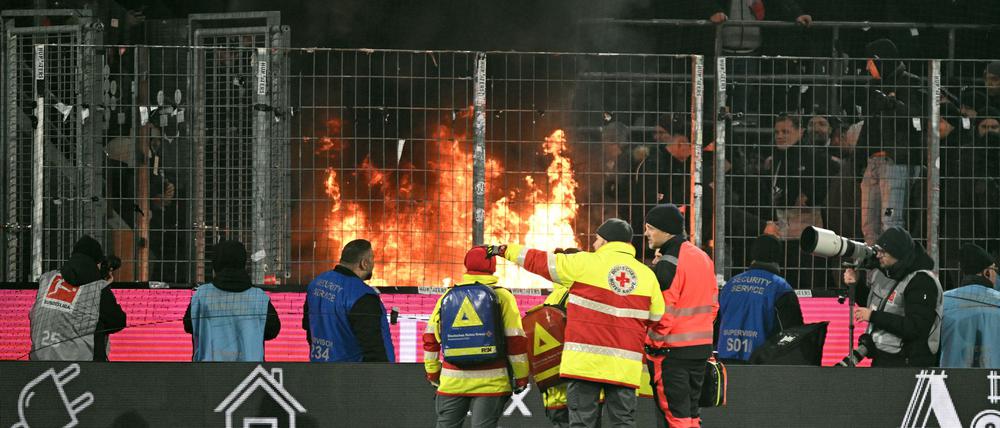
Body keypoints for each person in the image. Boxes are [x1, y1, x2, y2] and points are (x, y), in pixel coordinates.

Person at [489, 218, 665, 428]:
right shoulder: (647, 276)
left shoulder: (584, 263)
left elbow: (539, 260)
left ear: (606, 241)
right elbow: (656, 318)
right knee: (623, 422)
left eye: (597, 240)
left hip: (585, 365)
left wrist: (503, 249)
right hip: (624, 367)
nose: (594, 245)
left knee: (581, 422)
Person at [422, 246, 529, 428]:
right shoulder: (503, 296)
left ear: (466, 266)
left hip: (452, 381)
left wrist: (433, 373)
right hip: (492, 382)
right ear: (493, 267)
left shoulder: (447, 296)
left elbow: (430, 338)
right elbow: (515, 340)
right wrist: (521, 376)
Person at [642, 204, 718, 428]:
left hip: (672, 355)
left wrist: (652, 346)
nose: (646, 233)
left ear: (666, 231)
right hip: (700, 350)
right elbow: (713, 306)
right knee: (692, 415)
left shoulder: (668, 263)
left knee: (676, 417)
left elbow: (662, 312)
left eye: (650, 228)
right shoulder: (702, 257)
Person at [843, 227, 943, 367]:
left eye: (884, 252)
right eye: (878, 251)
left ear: (898, 253)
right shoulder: (888, 272)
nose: (878, 256)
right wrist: (856, 285)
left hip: (909, 364)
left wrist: (873, 316)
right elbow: (874, 306)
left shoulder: (922, 281)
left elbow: (915, 328)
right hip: (883, 358)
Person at [761, 113, 832, 289]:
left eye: (786, 131)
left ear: (800, 131)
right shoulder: (774, 158)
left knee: (807, 283)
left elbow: (823, 189)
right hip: (781, 231)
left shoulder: (815, 158)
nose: (780, 136)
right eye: (777, 131)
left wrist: (810, 199)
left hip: (806, 234)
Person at [29, 236, 126, 361]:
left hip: (38, 360)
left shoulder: (47, 278)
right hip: (79, 368)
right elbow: (118, 321)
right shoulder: (97, 288)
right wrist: (105, 285)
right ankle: (99, 373)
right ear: (96, 263)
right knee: (100, 321)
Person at [184, 239, 280, 361]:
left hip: (208, 373)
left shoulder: (202, 295)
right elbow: (272, 331)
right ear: (243, 262)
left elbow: (188, 326)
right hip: (249, 373)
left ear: (216, 263)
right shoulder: (259, 298)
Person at [302, 239, 395, 362]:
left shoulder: (316, 284)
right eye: (372, 258)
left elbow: (308, 326)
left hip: (320, 370)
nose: (373, 263)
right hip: (352, 376)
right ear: (364, 263)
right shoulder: (363, 296)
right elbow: (374, 348)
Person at [716, 235, 804, 363]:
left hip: (726, 360)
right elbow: (793, 333)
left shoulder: (730, 285)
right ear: (778, 257)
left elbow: (716, 323)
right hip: (761, 365)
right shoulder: (780, 288)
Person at [940, 244, 1000, 368]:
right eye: (995, 270)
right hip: (993, 380)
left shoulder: (944, 301)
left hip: (952, 378)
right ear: (987, 273)